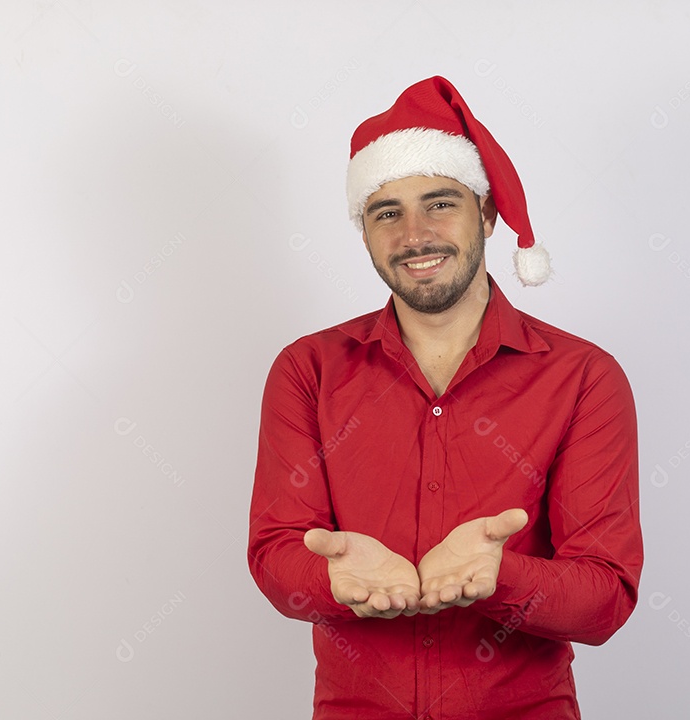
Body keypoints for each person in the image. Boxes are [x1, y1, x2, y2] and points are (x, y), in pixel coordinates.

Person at [248, 76, 642, 720]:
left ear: (485, 213)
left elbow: (604, 601)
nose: (414, 235)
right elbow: (275, 556)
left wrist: (499, 576)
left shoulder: (583, 377)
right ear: (364, 230)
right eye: (387, 212)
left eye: (440, 203)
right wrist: (332, 579)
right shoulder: (307, 370)